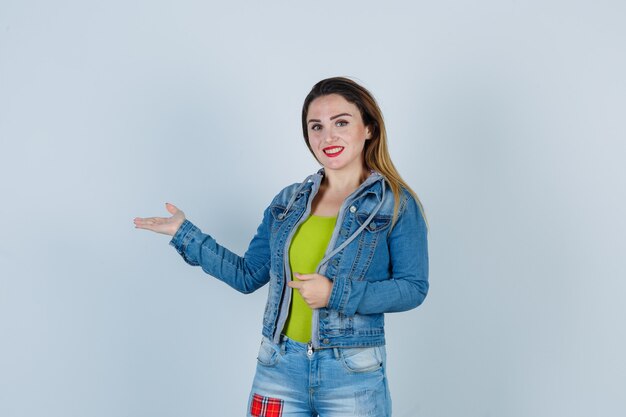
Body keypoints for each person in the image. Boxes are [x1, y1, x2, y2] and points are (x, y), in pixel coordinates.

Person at [134, 77, 429, 417]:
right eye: (316, 127)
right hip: (278, 366)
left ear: (369, 129)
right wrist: (183, 233)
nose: (327, 137)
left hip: (352, 372)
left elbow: (413, 288)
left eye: (341, 123)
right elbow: (247, 276)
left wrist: (336, 293)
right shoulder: (288, 202)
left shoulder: (395, 205)